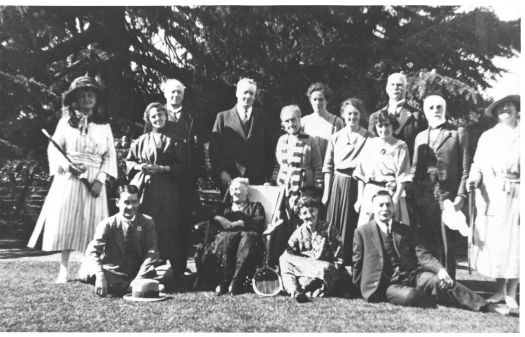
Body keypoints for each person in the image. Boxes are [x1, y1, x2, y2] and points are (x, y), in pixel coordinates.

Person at [352, 190, 509, 315]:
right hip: (387, 285)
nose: (384, 209)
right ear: (373, 208)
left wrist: (441, 270)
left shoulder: (405, 230)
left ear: (394, 207)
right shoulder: (362, 232)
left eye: (388, 205)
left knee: (441, 281)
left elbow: (423, 255)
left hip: (413, 277)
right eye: (380, 205)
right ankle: (430, 299)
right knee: (410, 296)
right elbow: (357, 263)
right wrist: (358, 288)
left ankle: (484, 306)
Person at [28, 76, 117, 283]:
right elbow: (54, 149)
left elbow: (110, 156)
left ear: (96, 100)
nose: (87, 98)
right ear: (75, 99)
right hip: (69, 178)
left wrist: (99, 180)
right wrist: (69, 166)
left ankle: (88, 268)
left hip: (94, 180)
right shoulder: (64, 124)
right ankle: (63, 270)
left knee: (93, 224)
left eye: (90, 95)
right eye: (82, 95)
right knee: (66, 222)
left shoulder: (104, 126)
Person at [467, 94, 520, 310]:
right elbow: (477, 164)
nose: (505, 109)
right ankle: (499, 290)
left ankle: (512, 292)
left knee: (517, 243)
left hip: (519, 193)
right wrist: (474, 179)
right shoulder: (488, 137)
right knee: (499, 244)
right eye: (500, 107)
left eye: (508, 105)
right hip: (495, 195)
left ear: (517, 108)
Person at [411, 95, 469, 280]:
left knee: (446, 240)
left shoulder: (458, 132)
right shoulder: (420, 136)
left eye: (439, 107)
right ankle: (432, 280)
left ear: (444, 109)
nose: (435, 110)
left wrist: (461, 195)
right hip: (425, 195)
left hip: (448, 194)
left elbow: (466, 168)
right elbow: (414, 169)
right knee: (427, 238)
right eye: (431, 107)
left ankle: (449, 280)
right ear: (425, 111)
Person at [77, 185, 174, 296]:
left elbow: (152, 253)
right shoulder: (107, 224)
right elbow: (92, 252)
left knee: (167, 270)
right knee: (89, 270)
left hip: (138, 272)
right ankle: (142, 287)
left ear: (138, 202)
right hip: (114, 272)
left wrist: (139, 278)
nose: (130, 206)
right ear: (117, 202)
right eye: (126, 202)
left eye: (134, 202)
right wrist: (100, 275)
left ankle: (129, 286)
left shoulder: (147, 222)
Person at [126, 103, 185, 281]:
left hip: (165, 188)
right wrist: (139, 165)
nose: (157, 119)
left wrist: (162, 168)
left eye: (160, 115)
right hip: (144, 188)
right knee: (142, 224)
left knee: (164, 225)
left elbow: (182, 165)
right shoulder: (141, 140)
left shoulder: (174, 140)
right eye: (153, 117)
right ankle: (140, 264)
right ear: (149, 119)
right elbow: (129, 161)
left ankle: (161, 265)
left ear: (166, 117)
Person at [269, 104, 323, 267]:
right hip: (285, 190)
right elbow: (278, 166)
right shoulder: (281, 140)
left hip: (305, 189)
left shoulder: (310, 140)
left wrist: (318, 191)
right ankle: (283, 262)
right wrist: (273, 182)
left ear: (300, 119)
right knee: (284, 225)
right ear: (283, 123)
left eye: (293, 120)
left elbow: (317, 167)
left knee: (303, 225)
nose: (291, 124)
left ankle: (304, 262)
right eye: (287, 121)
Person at [322, 98, 374, 267]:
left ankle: (354, 264)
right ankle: (335, 263)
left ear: (361, 115)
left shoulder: (368, 137)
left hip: (358, 186)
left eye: (356, 114)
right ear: (343, 115)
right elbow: (328, 167)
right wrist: (326, 193)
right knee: (335, 225)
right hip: (338, 184)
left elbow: (370, 166)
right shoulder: (336, 137)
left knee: (354, 224)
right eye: (349, 113)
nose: (352, 117)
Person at [161, 78, 205, 275]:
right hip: (163, 177)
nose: (175, 95)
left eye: (179, 92)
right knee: (164, 220)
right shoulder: (157, 114)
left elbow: (198, 149)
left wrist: (200, 173)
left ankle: (179, 266)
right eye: (172, 92)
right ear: (165, 94)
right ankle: (161, 263)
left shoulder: (191, 118)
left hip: (186, 178)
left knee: (184, 221)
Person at [210, 78, 275, 192]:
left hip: (257, 179)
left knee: (255, 210)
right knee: (231, 210)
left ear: (255, 96)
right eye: (245, 92)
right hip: (230, 177)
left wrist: (268, 178)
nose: (248, 96)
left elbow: (269, 149)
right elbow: (215, 148)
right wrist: (222, 171)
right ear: (237, 93)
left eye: (251, 93)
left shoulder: (263, 119)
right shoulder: (223, 117)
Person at [279, 196, 343, 303]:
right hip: (307, 272)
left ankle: (305, 288)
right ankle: (295, 292)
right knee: (284, 258)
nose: (309, 216)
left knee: (325, 268)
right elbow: (289, 258)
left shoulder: (328, 229)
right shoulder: (298, 234)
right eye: (304, 213)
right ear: (300, 216)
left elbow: (339, 258)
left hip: (327, 271)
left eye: (312, 211)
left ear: (317, 211)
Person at [353, 110, 411, 227]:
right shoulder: (370, 144)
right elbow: (361, 174)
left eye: (387, 125)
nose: (384, 129)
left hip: (392, 193)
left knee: (394, 230)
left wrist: (395, 199)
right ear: (375, 127)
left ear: (392, 125)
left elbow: (403, 177)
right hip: (371, 193)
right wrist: (360, 199)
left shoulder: (401, 146)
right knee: (368, 229)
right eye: (380, 125)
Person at [208, 178, 266, 295]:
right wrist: (219, 218)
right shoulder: (225, 208)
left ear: (246, 191)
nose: (235, 192)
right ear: (229, 192)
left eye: (239, 189)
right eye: (233, 189)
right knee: (224, 239)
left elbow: (258, 223)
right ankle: (223, 282)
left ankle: (236, 282)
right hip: (228, 240)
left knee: (247, 238)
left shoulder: (256, 206)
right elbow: (208, 213)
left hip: (247, 239)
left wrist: (240, 223)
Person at [368, 73, 426, 161]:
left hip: (408, 168)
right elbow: (372, 148)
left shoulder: (418, 116)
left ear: (406, 89)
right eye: (392, 85)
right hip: (383, 169)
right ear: (387, 89)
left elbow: (423, 149)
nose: (395, 87)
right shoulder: (375, 116)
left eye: (399, 85)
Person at [301, 82, 345, 162]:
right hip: (308, 170)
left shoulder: (337, 122)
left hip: (328, 170)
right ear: (310, 100)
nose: (317, 103)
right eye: (314, 99)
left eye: (321, 99)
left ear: (327, 101)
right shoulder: (304, 122)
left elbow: (342, 149)